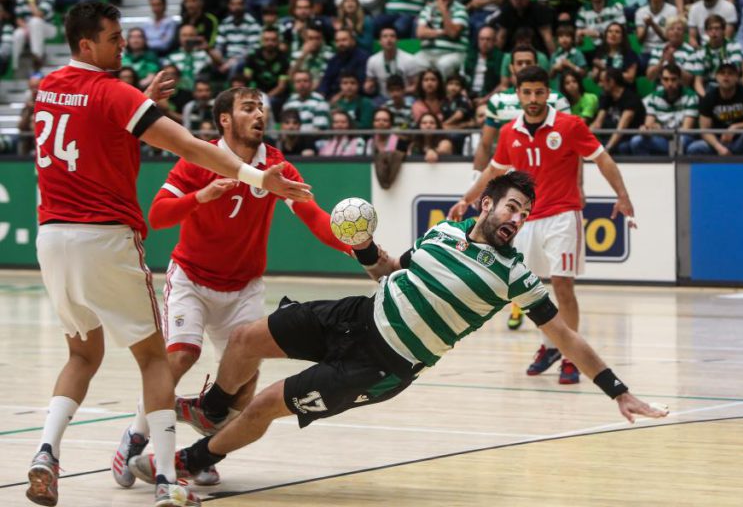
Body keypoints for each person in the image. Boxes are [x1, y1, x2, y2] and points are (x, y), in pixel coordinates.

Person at [127, 171, 667, 483]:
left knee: (268, 400)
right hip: (358, 315)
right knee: (246, 339)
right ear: (486, 204)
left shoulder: (515, 275)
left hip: (380, 365)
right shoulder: (445, 232)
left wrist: (616, 390)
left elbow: (567, 338)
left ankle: (190, 461)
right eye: (511, 207)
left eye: (524, 214)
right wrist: (365, 248)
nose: (517, 219)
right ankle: (215, 408)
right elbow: (392, 272)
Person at [26, 1, 311, 507]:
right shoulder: (114, 94)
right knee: (158, 360)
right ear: (87, 44)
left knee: (81, 353)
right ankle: (162, 478)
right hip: (105, 235)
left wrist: (140, 101)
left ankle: (45, 453)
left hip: (52, 236)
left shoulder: (49, 86)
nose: (122, 45)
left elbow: (97, 129)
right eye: (114, 38)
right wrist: (252, 177)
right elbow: (191, 148)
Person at [112, 86, 354, 489]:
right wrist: (201, 196)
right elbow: (158, 214)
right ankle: (136, 436)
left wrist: (356, 246)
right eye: (248, 108)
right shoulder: (198, 159)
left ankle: (200, 454)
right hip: (192, 277)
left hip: (243, 288)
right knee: (181, 357)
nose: (260, 114)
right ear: (225, 119)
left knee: (244, 382)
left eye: (262, 108)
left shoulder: (277, 168)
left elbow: (314, 218)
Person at [448, 66, 637, 385]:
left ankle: (571, 356)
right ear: (518, 94)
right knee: (528, 291)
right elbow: (493, 171)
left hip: (563, 215)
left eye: (539, 92)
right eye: (527, 92)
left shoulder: (570, 125)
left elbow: (603, 159)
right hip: (525, 221)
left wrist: (623, 196)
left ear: (548, 94)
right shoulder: (509, 132)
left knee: (562, 284)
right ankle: (551, 345)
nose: (533, 99)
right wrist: (466, 199)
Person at [466, 45, 570, 331]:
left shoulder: (557, 101)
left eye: (529, 61)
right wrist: (476, 180)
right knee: (513, 248)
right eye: (519, 62)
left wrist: (580, 185)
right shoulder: (499, 102)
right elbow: (487, 144)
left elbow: (570, 149)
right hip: (509, 186)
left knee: (550, 265)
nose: (523, 65)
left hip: (548, 189)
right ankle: (516, 305)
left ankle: (543, 317)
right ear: (511, 69)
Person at [686, 62, 743, 156]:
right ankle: (712, 170)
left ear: (737, 78)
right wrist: (719, 147)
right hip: (718, 142)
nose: (726, 76)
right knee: (694, 148)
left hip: (740, 141)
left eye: (730, 73)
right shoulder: (709, 98)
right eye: (722, 73)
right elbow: (705, 130)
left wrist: (735, 127)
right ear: (716, 77)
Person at [629, 63, 698, 155]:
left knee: (680, 141)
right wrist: (645, 130)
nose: (669, 83)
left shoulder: (691, 97)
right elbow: (649, 124)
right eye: (666, 79)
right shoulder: (654, 97)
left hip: (682, 139)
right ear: (661, 80)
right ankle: (648, 168)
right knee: (636, 141)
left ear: (680, 80)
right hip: (662, 139)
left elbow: (686, 129)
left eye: (673, 79)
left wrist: (661, 130)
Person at [591, 67, 646, 155]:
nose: (599, 85)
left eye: (602, 81)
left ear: (611, 82)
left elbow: (621, 129)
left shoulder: (630, 98)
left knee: (622, 147)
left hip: (629, 138)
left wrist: (606, 150)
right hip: (612, 137)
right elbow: (597, 124)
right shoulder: (606, 96)